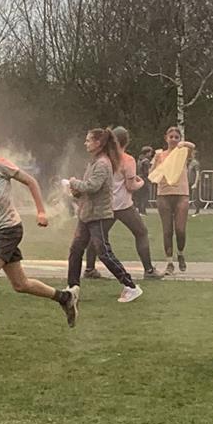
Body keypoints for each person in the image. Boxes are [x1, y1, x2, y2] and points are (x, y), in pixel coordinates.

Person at [0, 123, 79, 358]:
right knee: (20, 284)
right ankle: (65, 297)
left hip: (9, 229)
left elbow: (31, 181)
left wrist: (41, 212)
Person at [67, 128, 142, 303]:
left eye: (88, 140)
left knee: (104, 252)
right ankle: (72, 288)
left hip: (98, 215)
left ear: (98, 143)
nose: (85, 143)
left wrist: (73, 182)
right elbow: (89, 187)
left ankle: (131, 286)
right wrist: (76, 192)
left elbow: (93, 186)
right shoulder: (94, 162)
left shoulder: (102, 163)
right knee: (76, 249)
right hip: (87, 214)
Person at [83, 127, 162, 281]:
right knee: (141, 232)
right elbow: (130, 186)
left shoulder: (102, 158)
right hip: (123, 205)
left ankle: (89, 269)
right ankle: (149, 270)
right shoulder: (128, 160)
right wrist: (141, 182)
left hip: (105, 204)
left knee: (97, 236)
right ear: (126, 142)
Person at [150, 127, 196, 274]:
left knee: (180, 230)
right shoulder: (160, 155)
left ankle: (180, 253)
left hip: (181, 193)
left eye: (177, 137)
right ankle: (169, 262)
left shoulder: (182, 153)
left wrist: (183, 144)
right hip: (164, 193)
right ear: (166, 138)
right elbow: (152, 174)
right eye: (171, 137)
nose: (174, 139)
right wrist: (156, 161)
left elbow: (192, 147)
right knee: (167, 230)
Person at [135, 146, 154, 215]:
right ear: (147, 152)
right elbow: (147, 172)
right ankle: (143, 211)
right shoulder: (146, 161)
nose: (151, 154)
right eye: (150, 152)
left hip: (139, 179)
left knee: (140, 195)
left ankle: (140, 210)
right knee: (145, 195)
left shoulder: (139, 160)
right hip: (145, 180)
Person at [187, 151, 202, 216]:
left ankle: (197, 211)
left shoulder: (195, 163)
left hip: (194, 182)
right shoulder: (189, 163)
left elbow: (197, 173)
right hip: (189, 182)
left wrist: (195, 183)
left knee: (195, 196)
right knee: (189, 196)